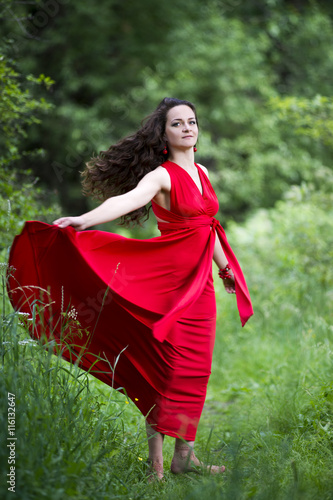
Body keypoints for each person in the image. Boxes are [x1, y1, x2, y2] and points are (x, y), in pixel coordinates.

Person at [7, 97, 253, 481]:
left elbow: (208, 226)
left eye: (192, 122)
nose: (188, 128)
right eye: (178, 123)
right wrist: (85, 220)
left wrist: (226, 270)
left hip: (200, 286)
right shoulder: (161, 176)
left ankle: (184, 457)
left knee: (195, 369)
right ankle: (156, 469)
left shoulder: (203, 173)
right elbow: (127, 200)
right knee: (164, 369)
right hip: (166, 284)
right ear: (164, 134)